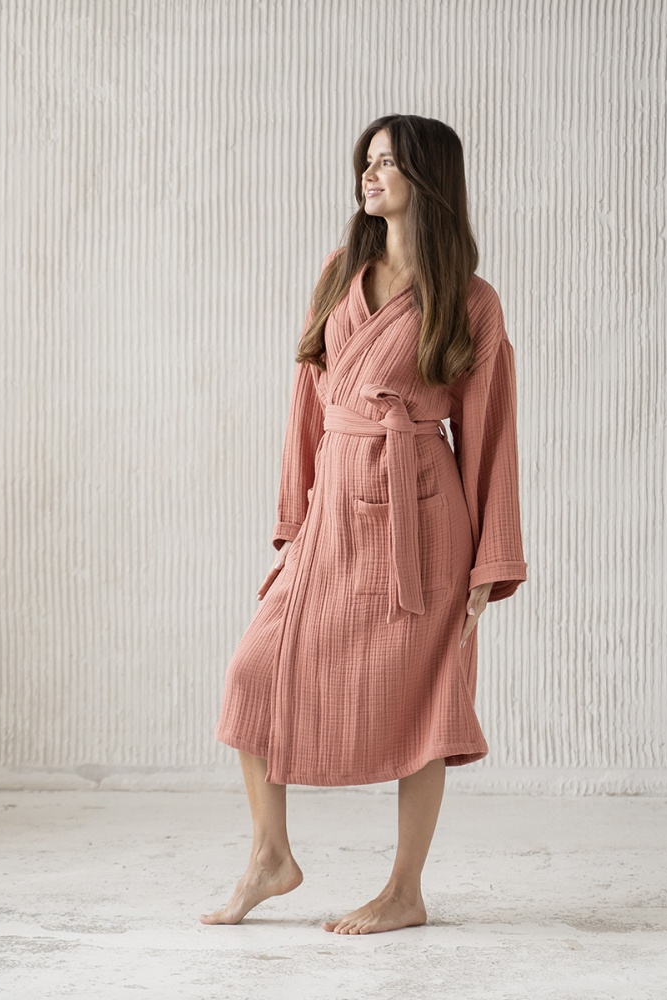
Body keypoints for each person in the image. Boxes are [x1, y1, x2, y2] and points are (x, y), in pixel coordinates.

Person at [200, 114, 527, 935]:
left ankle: (404, 891)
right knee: (252, 671)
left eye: (387, 162)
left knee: (428, 702)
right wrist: (293, 525)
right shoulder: (341, 271)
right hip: (334, 513)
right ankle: (271, 857)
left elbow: (490, 435)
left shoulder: (472, 302)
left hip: (425, 523)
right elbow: (305, 405)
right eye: (367, 161)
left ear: (428, 178)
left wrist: (488, 566)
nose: (369, 174)